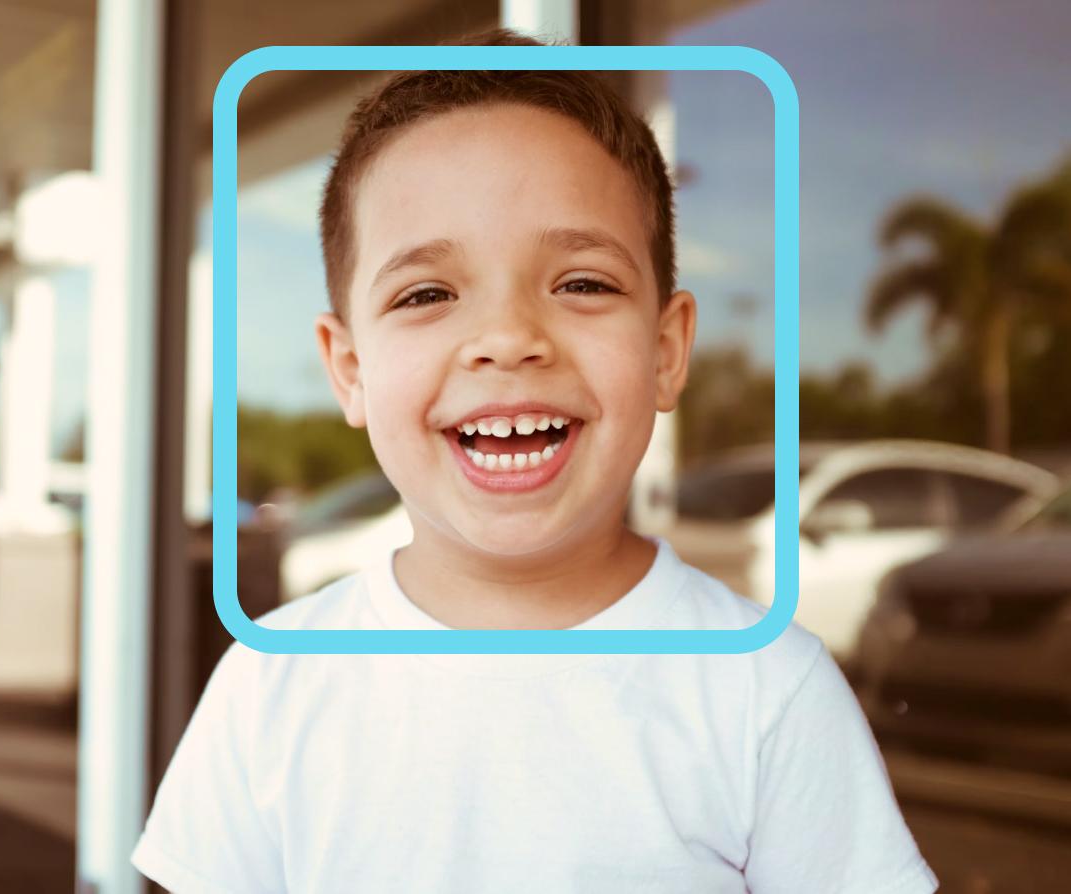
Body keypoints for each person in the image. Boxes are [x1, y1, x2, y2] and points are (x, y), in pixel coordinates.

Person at [133, 27, 939, 893]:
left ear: (666, 351)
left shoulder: (765, 687)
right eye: (428, 293)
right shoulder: (272, 682)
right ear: (351, 370)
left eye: (582, 283)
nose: (509, 337)